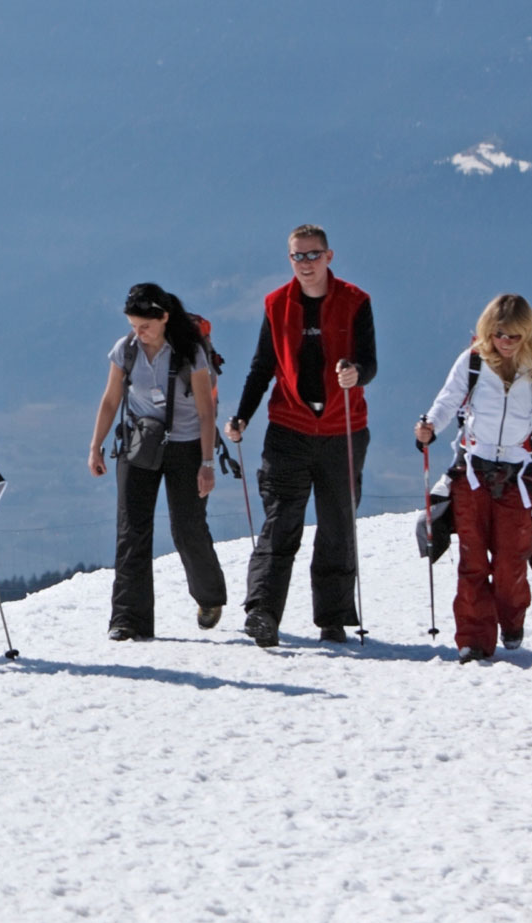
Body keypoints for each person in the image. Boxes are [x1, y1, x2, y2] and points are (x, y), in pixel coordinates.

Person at [225, 225, 376, 647]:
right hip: (288, 429)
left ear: (330, 256)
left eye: (313, 255)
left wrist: (357, 373)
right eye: (298, 256)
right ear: (289, 259)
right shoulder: (276, 305)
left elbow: (370, 362)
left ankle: (333, 619)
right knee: (281, 522)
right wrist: (242, 417)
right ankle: (262, 614)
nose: (305, 264)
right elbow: (261, 366)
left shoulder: (356, 302)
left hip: (342, 431)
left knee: (337, 526)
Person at [417, 294, 532, 662]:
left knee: (511, 562)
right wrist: (430, 425)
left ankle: (511, 622)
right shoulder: (472, 360)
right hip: (472, 471)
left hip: (518, 476)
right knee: (472, 563)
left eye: (515, 336)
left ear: (527, 333)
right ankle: (473, 641)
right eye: (500, 333)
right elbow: (449, 399)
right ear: (489, 330)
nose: (506, 342)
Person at [87, 283, 226, 640]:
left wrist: (207, 463)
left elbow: (206, 411)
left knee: (187, 526)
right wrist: (95, 447)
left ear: (164, 318)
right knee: (130, 530)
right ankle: (127, 620)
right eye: (133, 325)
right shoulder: (126, 350)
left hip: (187, 447)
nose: (139, 333)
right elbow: (110, 400)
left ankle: (209, 598)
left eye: (145, 326)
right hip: (140, 445)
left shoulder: (189, 351)